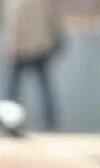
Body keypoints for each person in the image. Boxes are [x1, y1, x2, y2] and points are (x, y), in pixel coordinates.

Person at [3, 0, 61, 130]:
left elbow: (14, 24)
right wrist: (52, 41)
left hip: (21, 48)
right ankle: (51, 122)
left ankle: (8, 122)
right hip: (40, 47)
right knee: (44, 89)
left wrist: (11, 47)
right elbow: (52, 20)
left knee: (13, 91)